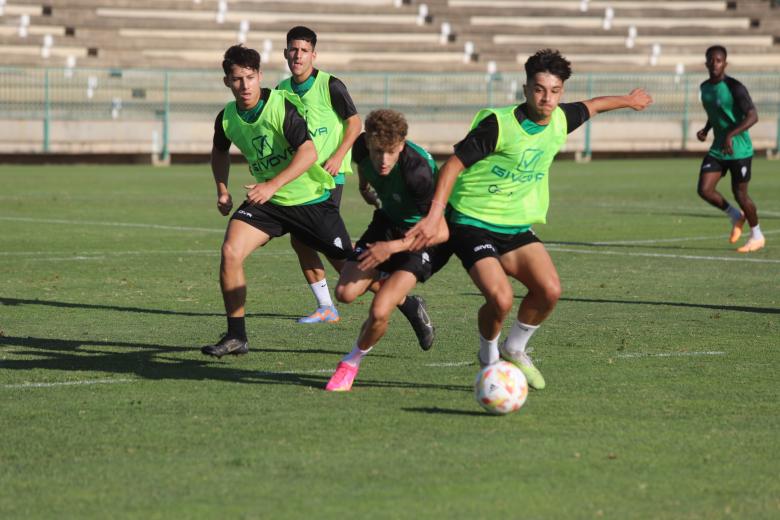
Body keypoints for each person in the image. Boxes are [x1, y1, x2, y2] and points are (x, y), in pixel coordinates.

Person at [406, 49, 652, 389]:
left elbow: (594, 105)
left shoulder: (562, 118)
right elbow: (452, 166)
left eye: (554, 90)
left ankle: (515, 348)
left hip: (515, 226)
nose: (546, 98)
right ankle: (489, 357)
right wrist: (436, 216)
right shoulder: (499, 125)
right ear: (525, 89)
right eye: (539, 89)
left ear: (561, 91)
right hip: (472, 221)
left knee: (549, 291)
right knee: (501, 299)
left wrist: (629, 100)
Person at [201, 44, 352, 358]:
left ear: (260, 76)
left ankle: (407, 302)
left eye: (250, 77)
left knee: (352, 276)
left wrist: (272, 185)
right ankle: (236, 336)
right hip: (267, 203)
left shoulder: (280, 106)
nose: (245, 86)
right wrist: (222, 189)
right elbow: (219, 152)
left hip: (308, 199)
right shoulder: (227, 118)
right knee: (230, 251)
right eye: (237, 79)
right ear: (226, 81)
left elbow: (309, 152)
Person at [325, 109, 450, 392]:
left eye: (390, 152)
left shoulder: (417, 172)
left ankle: (350, 364)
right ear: (367, 142)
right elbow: (364, 167)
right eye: (377, 151)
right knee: (345, 293)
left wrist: (391, 248)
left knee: (380, 310)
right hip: (386, 224)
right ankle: (410, 304)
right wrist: (363, 186)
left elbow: (441, 231)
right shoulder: (360, 147)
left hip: (421, 237)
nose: (383, 160)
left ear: (402, 145)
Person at [277, 26, 362, 323]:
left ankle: (395, 295)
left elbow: (354, 124)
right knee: (301, 242)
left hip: (328, 176)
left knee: (327, 245)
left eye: (303, 50)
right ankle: (326, 306)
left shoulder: (331, 85)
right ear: (286, 53)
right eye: (293, 49)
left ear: (313, 54)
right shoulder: (281, 91)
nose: (297, 55)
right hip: (301, 180)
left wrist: (338, 156)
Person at [696, 45, 764, 253]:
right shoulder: (704, 87)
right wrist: (706, 129)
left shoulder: (735, 87)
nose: (715, 64)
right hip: (719, 147)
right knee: (704, 189)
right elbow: (716, 111)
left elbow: (753, 116)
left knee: (741, 194)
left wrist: (731, 134)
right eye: (711, 60)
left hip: (739, 149)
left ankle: (757, 235)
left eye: (719, 60)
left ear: (725, 63)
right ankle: (735, 216)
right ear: (706, 63)